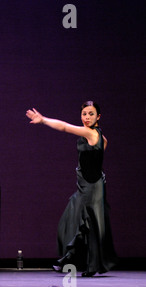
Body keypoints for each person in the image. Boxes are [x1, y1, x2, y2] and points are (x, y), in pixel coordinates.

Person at [26, 101, 118, 276]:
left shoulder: (90, 133)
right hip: (86, 185)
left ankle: (87, 265)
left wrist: (43, 120)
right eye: (84, 114)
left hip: (91, 188)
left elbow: (64, 127)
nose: (87, 118)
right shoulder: (100, 137)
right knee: (72, 222)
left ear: (98, 117)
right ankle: (72, 261)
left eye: (91, 114)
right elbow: (96, 157)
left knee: (87, 225)